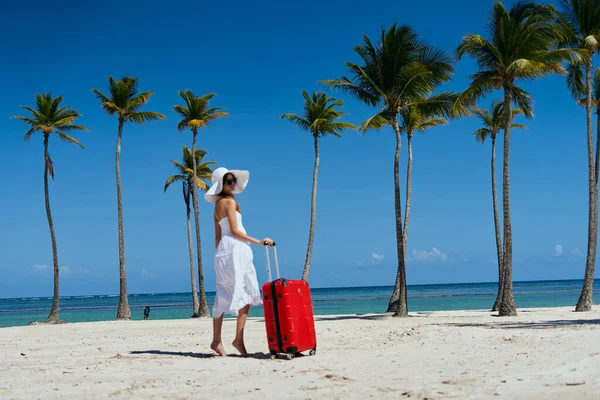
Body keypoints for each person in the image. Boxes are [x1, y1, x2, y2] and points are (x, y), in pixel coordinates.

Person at [204, 167, 274, 357]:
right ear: (221, 186)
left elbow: (218, 237)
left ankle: (217, 340)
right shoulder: (229, 202)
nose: (233, 183)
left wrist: (220, 255)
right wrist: (258, 241)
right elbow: (235, 231)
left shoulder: (216, 206)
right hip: (236, 249)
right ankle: (238, 340)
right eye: (229, 181)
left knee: (223, 294)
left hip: (223, 252)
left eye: (233, 179)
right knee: (247, 295)